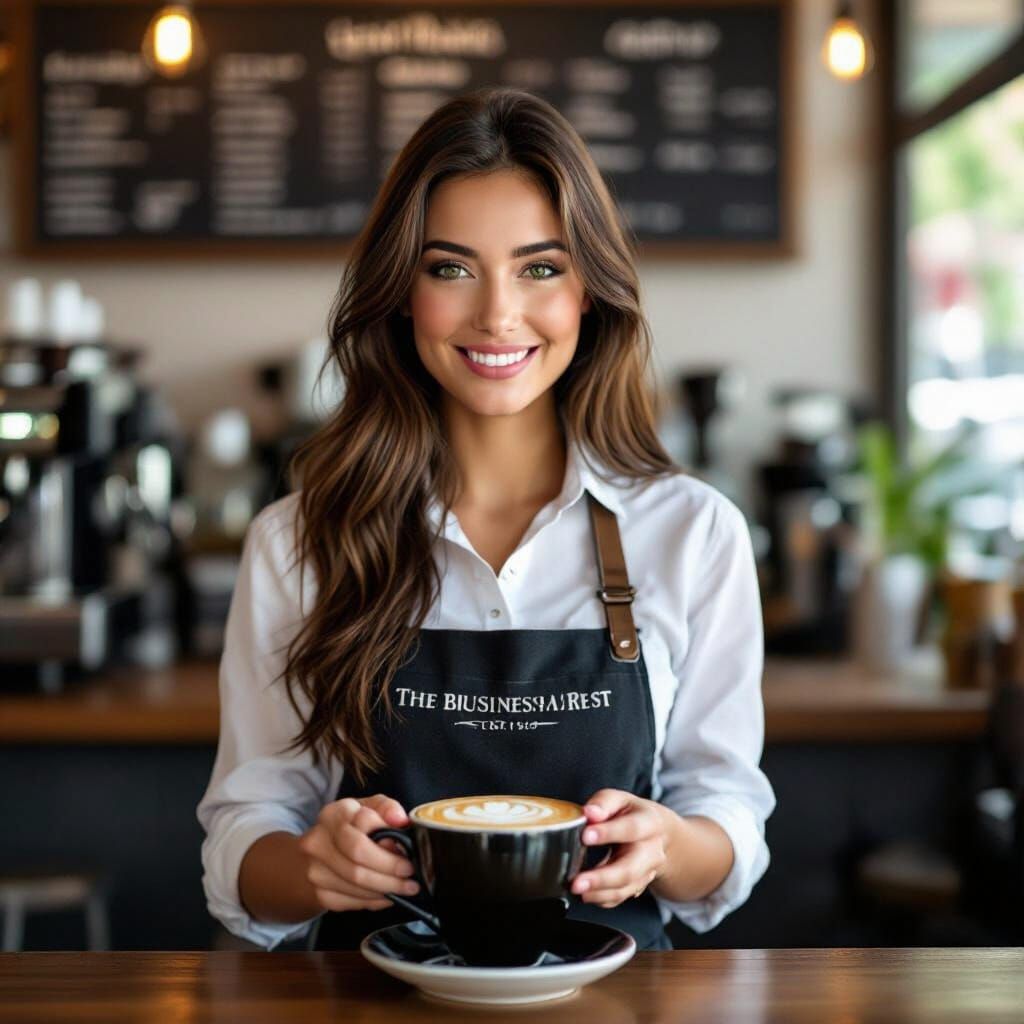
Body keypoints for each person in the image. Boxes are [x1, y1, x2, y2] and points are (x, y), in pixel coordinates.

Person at [197, 87, 775, 953]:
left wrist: (668, 846)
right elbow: (248, 832)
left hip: (615, 1008)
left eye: (540, 267)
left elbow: (725, 822)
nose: (498, 314)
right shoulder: (299, 540)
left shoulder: (693, 533)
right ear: (400, 292)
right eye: (451, 268)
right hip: (372, 1005)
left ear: (591, 291)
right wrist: (313, 865)